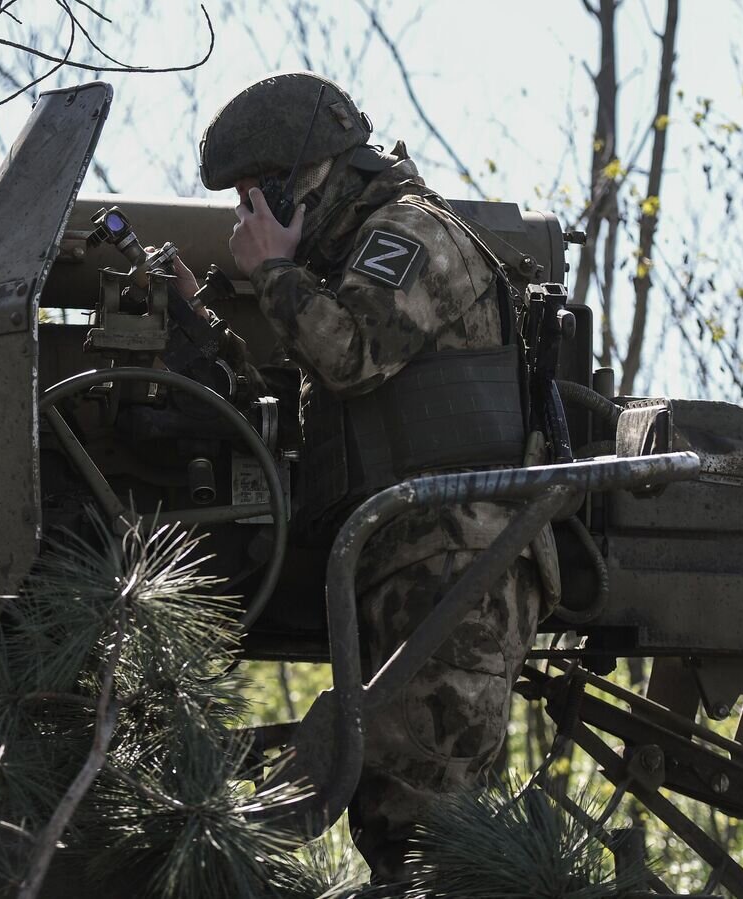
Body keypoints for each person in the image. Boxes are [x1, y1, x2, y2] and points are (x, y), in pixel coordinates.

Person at [194, 72, 559, 882]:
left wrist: (273, 272)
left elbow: (350, 356)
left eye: (258, 197)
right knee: (398, 831)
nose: (248, 220)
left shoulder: (409, 235)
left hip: (458, 569)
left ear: (307, 182)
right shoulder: (359, 257)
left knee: (431, 830)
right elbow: (324, 411)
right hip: (409, 567)